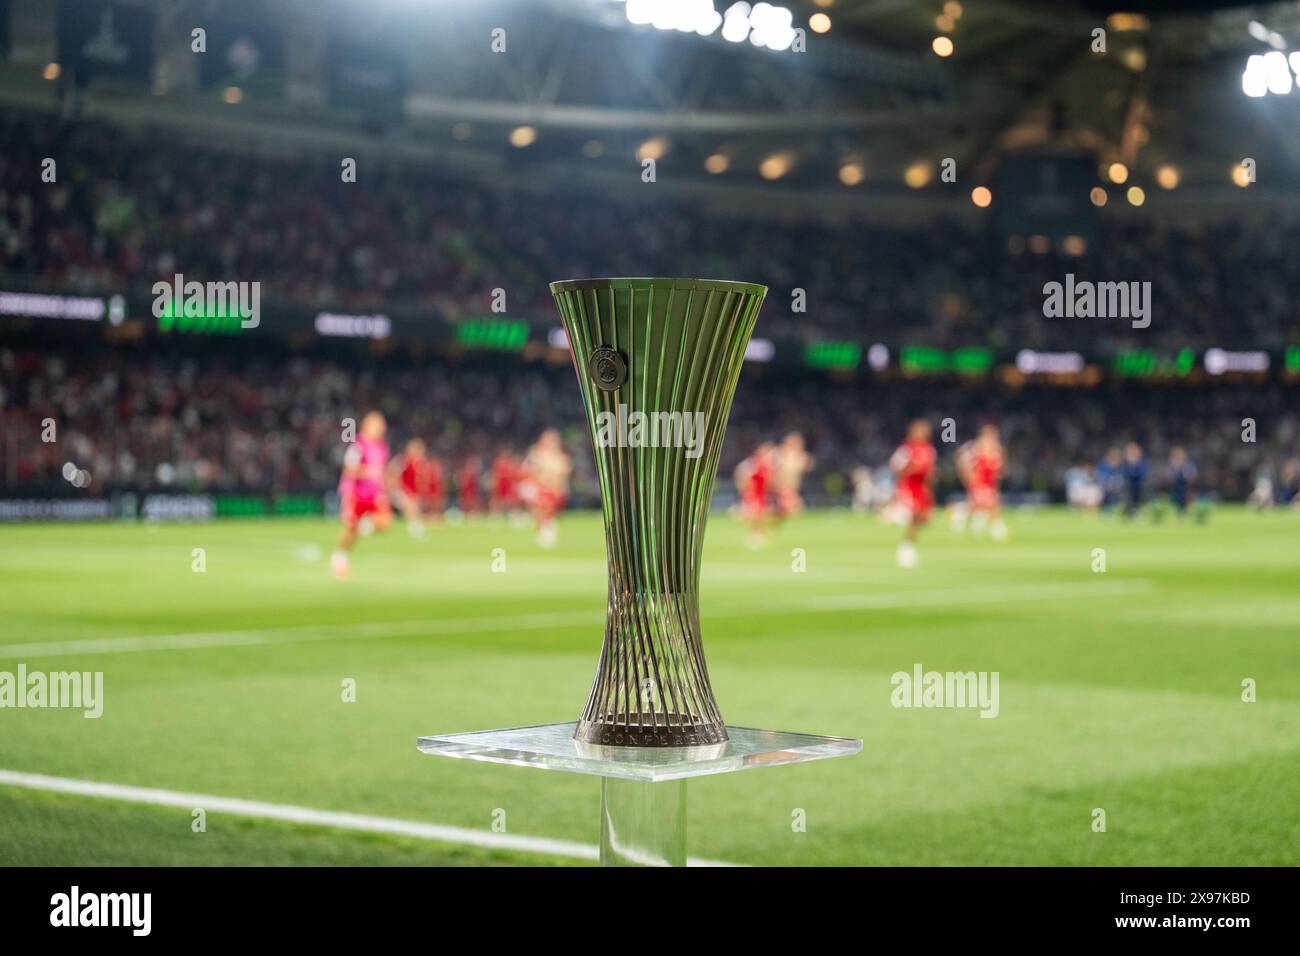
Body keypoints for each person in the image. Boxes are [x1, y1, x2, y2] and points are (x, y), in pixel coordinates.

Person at [332, 411, 391, 579]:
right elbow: (349, 469)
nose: (380, 428)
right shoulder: (358, 445)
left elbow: (381, 471)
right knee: (350, 528)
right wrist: (368, 472)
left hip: (374, 493)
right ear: (367, 425)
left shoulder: (382, 447)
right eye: (377, 424)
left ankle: (363, 526)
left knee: (385, 522)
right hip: (355, 492)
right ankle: (339, 556)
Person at [889, 419, 935, 569]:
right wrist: (912, 469)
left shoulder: (928, 449)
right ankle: (905, 549)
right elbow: (895, 466)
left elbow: (929, 470)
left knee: (924, 519)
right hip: (908, 486)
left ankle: (909, 544)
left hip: (921, 487)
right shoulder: (907, 448)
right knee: (914, 515)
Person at [521, 429, 572, 548]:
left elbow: (562, 475)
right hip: (543, 488)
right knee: (537, 504)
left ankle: (547, 529)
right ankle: (544, 529)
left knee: (546, 510)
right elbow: (529, 470)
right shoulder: (538, 455)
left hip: (555, 490)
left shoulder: (560, 458)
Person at [390, 438, 443, 538]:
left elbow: (422, 480)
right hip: (403, 491)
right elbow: (394, 473)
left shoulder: (422, 463)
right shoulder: (403, 460)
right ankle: (415, 529)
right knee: (411, 508)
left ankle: (415, 528)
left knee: (415, 510)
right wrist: (396, 488)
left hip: (414, 492)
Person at [734, 442, 775, 549]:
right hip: (753, 494)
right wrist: (746, 490)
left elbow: (769, 481)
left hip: (762, 494)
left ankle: (759, 533)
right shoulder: (751, 464)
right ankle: (755, 534)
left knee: (761, 515)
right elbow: (743, 477)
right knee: (755, 515)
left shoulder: (766, 465)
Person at [772, 431, 814, 522]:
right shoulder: (780, 455)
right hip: (781, 489)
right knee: (790, 510)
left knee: (795, 510)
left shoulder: (799, 457)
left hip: (792, 489)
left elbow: (808, 464)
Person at [1167, 446, 1196, 516]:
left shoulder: (1187, 466)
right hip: (1175, 487)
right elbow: (1169, 476)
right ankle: (1179, 512)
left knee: (1185, 501)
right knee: (1176, 501)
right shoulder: (1172, 466)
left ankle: (1185, 512)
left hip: (1185, 487)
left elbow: (1191, 475)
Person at [1122, 441, 1148, 518]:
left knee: (1138, 500)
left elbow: (1142, 474)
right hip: (1128, 487)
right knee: (1128, 499)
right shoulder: (1125, 463)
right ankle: (1128, 514)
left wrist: (1134, 467)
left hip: (1139, 486)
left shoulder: (1142, 462)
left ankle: (1138, 512)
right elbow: (1124, 474)